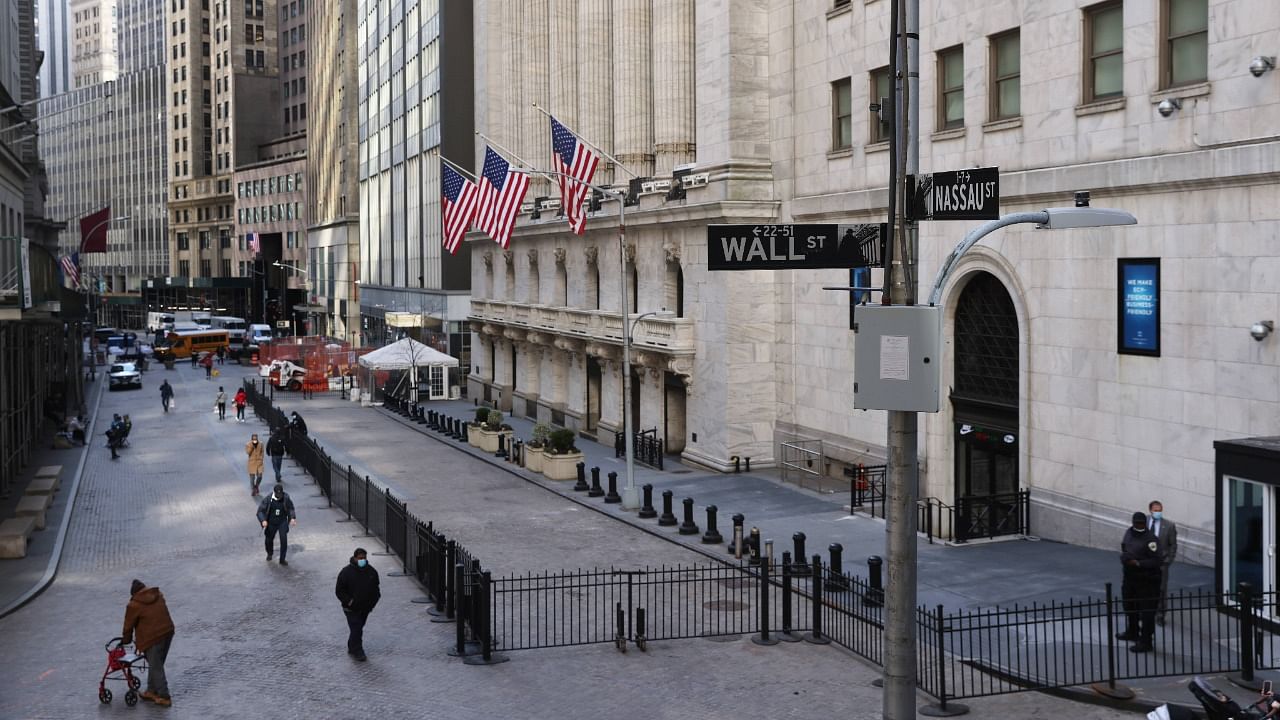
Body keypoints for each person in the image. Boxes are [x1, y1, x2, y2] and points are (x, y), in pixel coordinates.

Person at [122, 578, 175, 707]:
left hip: (152, 638)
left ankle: (164, 696)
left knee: (156, 666)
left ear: (134, 594)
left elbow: (128, 626)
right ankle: (151, 690)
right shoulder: (158, 595)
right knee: (156, 664)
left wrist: (125, 640)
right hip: (168, 631)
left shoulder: (134, 605)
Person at [1117, 511, 1165, 653]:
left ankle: (1146, 641)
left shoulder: (1151, 539)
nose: (1138, 525)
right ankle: (1132, 631)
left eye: (1141, 523)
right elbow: (1124, 546)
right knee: (1129, 605)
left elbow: (1157, 560)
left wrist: (1137, 563)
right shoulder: (1129, 533)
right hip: (1130, 577)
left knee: (1147, 612)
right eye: (1136, 523)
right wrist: (1126, 558)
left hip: (1147, 580)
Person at [335, 548, 381, 661]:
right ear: (355, 558)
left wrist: (372, 604)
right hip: (350, 608)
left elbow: (376, 590)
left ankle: (352, 646)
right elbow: (339, 591)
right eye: (360, 558)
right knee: (356, 628)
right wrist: (349, 602)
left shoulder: (371, 572)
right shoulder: (346, 572)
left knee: (358, 627)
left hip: (365, 608)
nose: (362, 560)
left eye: (364, 558)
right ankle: (358, 650)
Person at [1149, 500, 1178, 625]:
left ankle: (1160, 615)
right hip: (1146, 561)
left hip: (1161, 562)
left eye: (1160, 510)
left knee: (1161, 589)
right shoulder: (1144, 522)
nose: (1158, 512)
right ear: (1150, 510)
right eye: (1155, 510)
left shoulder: (1169, 525)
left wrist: (1168, 560)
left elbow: (1173, 545)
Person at [257, 483, 297, 565]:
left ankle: (282, 559)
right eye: (277, 494)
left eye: (280, 494)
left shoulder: (286, 497)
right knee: (269, 539)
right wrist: (263, 520)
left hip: (282, 521)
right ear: (274, 492)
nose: (279, 496)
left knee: (284, 540)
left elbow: (290, 508)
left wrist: (292, 518)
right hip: (271, 522)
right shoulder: (268, 499)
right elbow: (260, 511)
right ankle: (270, 553)